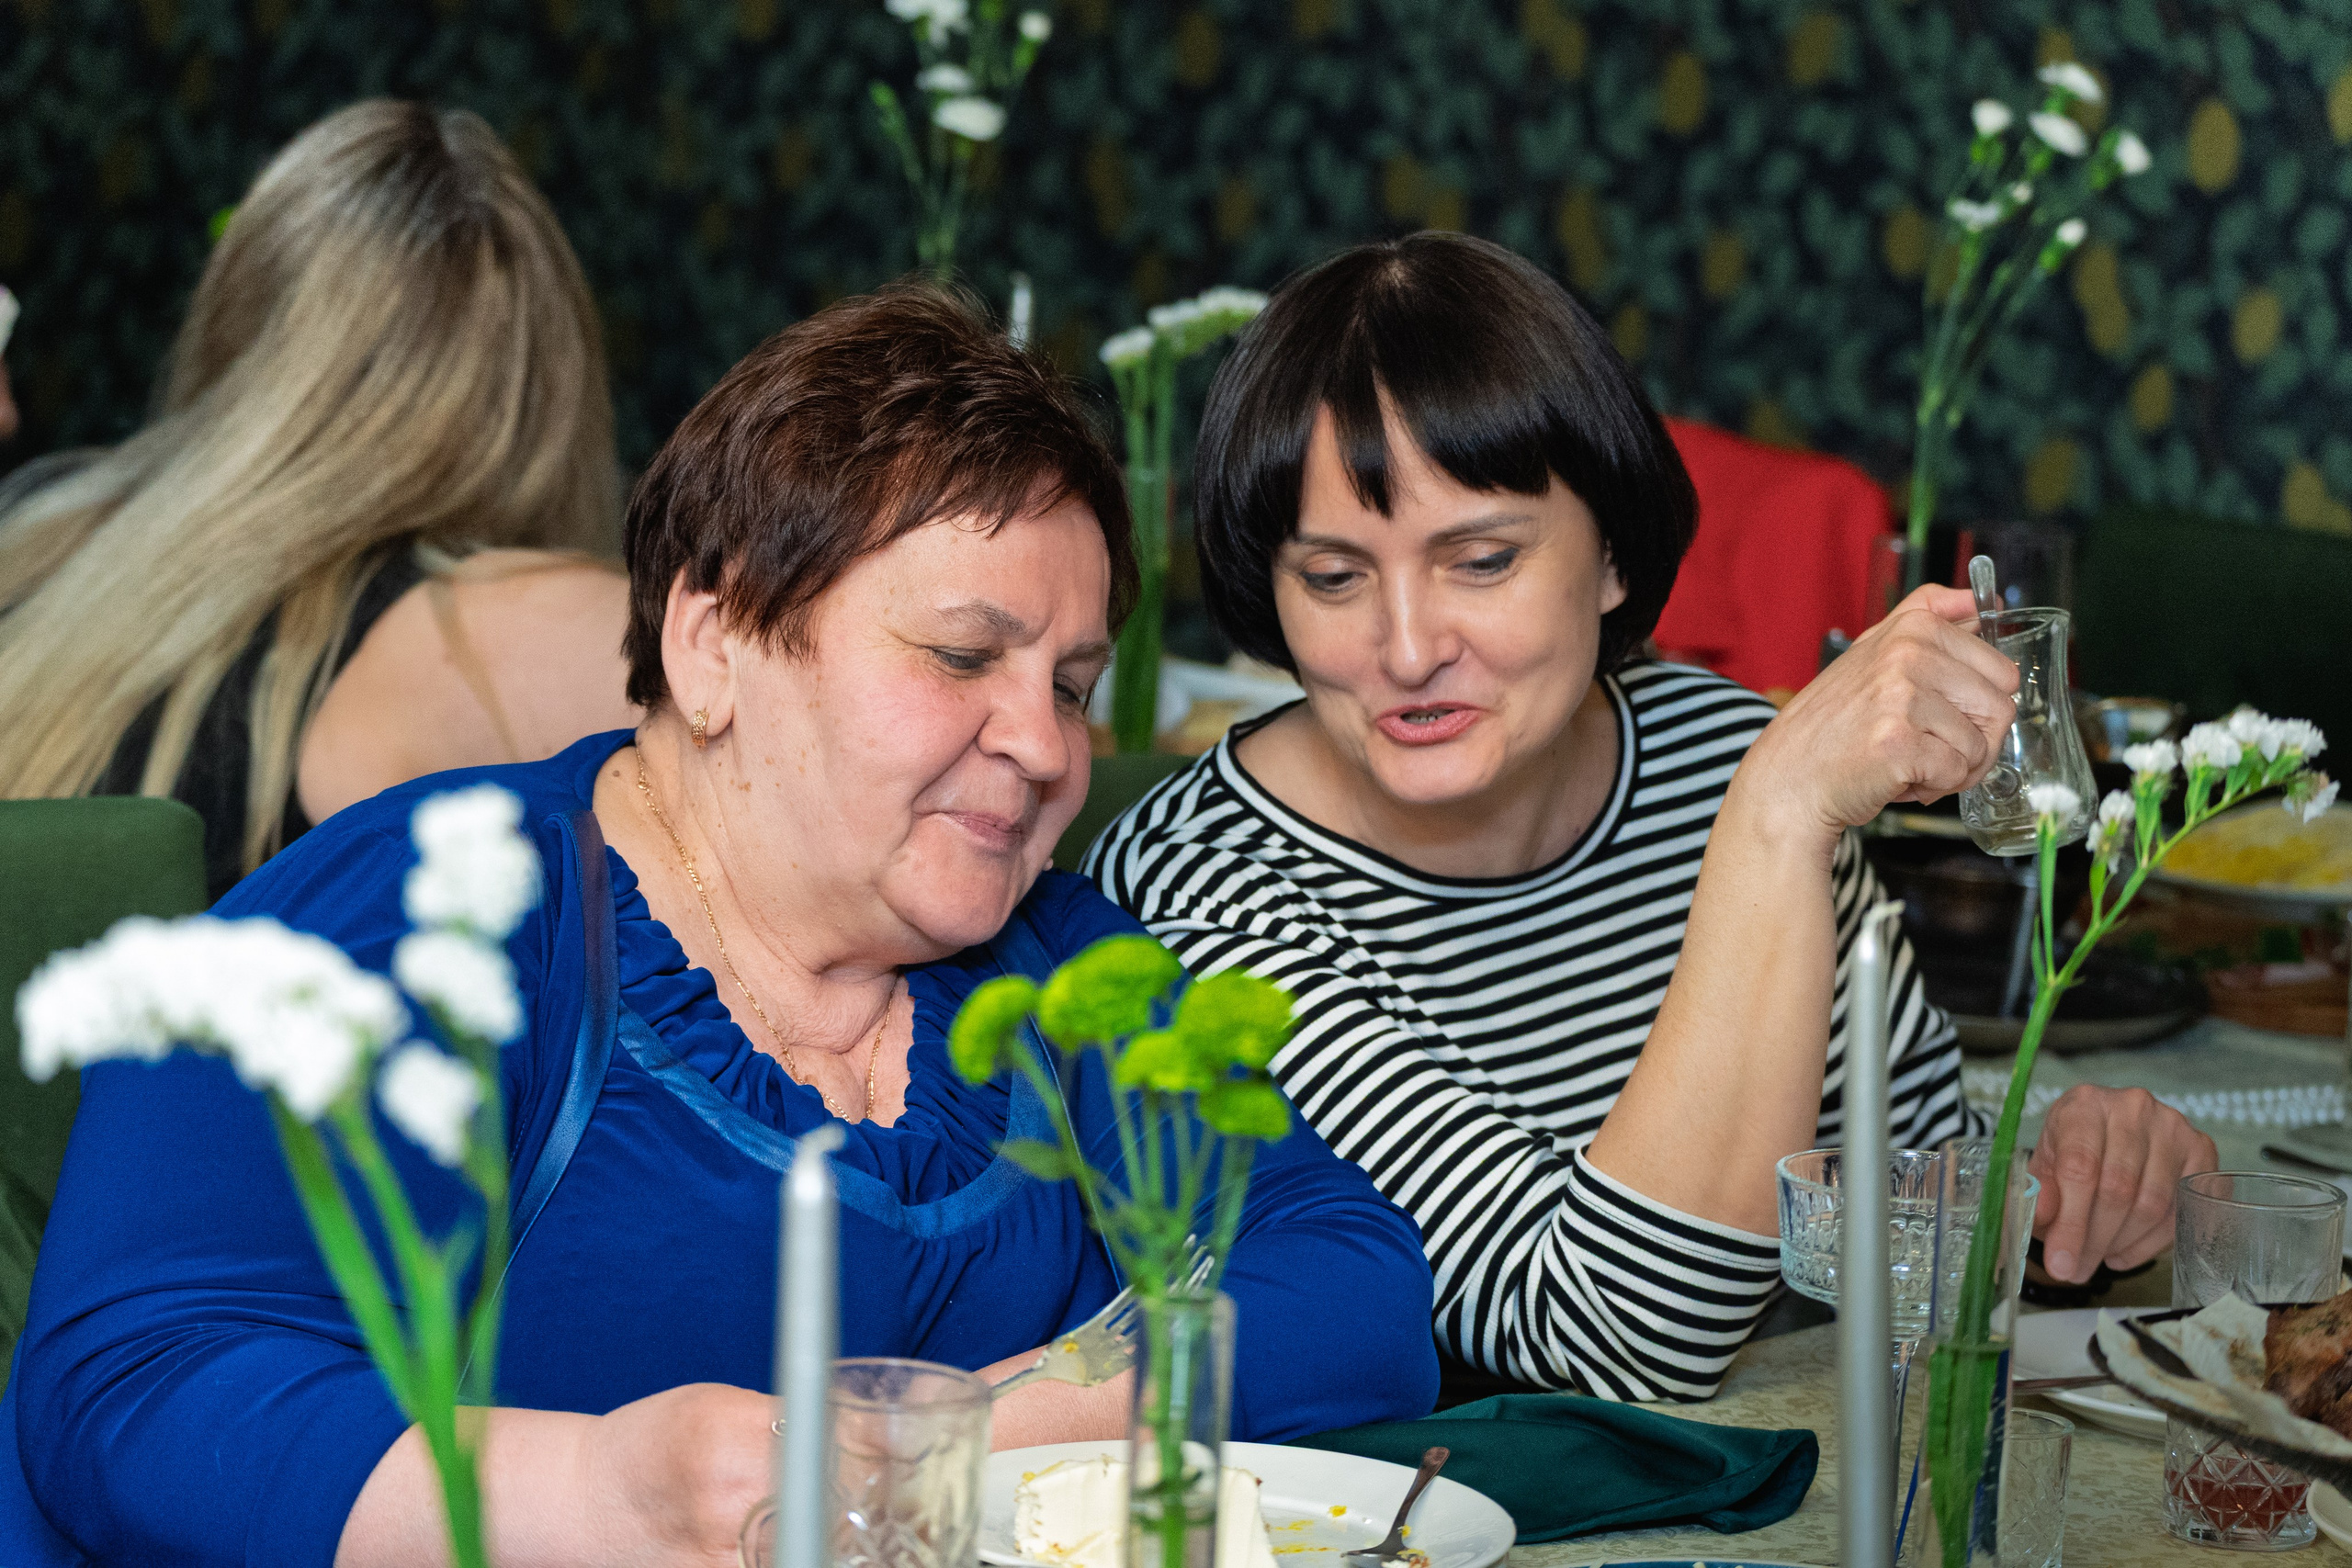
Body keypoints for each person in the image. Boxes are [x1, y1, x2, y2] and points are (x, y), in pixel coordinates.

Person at [4, 286, 1437, 1567]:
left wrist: (975, 1434)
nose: (1047, 744)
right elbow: (131, 1381)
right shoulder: (430, 916)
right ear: (714, 639)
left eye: (1069, 683)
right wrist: (611, 1492)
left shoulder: (1057, 966)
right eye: (961, 655)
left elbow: (1346, 1277)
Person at [1085, 232, 2215, 1402]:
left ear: (1613, 557)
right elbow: (1616, 1338)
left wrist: (2067, 1201)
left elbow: (1903, 1196)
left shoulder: (1708, 746)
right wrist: (1773, 819)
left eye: (1479, 561)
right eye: (1332, 578)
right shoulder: (1200, 898)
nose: (1409, 648)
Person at [0, 100, 637, 904]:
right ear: (551, 392)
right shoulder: (481, 626)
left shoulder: (41, 523)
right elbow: (749, 693)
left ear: (239, 324)